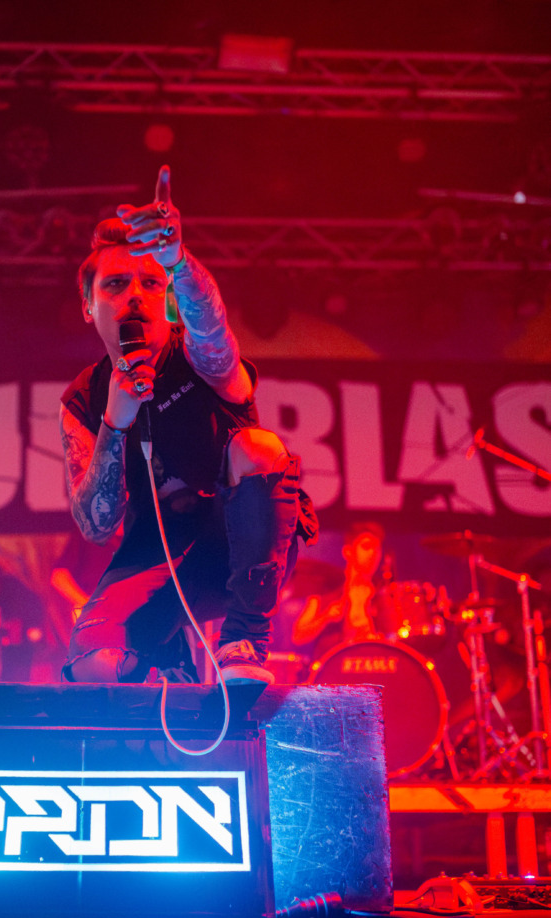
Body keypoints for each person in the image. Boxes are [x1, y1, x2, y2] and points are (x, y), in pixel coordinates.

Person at [59, 165, 318, 685]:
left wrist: (178, 261)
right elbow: (96, 526)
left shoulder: (200, 356)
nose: (135, 294)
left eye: (151, 282)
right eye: (115, 284)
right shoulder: (85, 397)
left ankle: (244, 640)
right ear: (88, 305)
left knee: (259, 448)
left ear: (170, 299)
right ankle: (162, 657)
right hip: (154, 558)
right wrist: (114, 422)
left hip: (236, 546)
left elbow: (213, 329)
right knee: (92, 667)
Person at [291, 522, 385, 659]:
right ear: (348, 552)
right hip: (334, 667)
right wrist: (325, 618)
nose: (373, 554)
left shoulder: (382, 594)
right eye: (366, 547)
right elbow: (298, 636)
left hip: (373, 664)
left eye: (377, 549)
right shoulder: (326, 591)